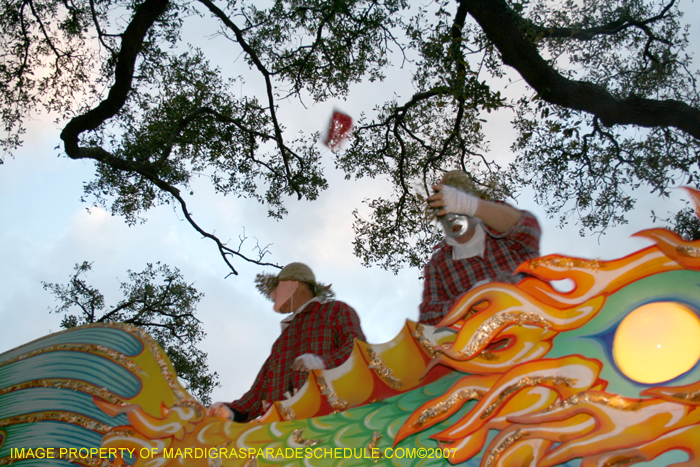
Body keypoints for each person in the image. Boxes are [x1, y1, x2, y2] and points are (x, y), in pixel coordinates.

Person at [209, 262, 365, 422]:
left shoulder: (336, 310)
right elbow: (259, 392)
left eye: (278, 288)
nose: (273, 295)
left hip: (328, 421)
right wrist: (230, 411)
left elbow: (357, 349)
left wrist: (322, 363)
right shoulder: (281, 342)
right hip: (279, 433)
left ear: (296, 285)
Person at [419, 170, 541, 325]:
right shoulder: (438, 263)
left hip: (542, 329)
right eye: (444, 213)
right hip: (489, 343)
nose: (452, 218)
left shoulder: (502, 229)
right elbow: (428, 316)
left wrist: (472, 204)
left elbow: (528, 229)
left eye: (457, 209)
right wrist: (470, 299)